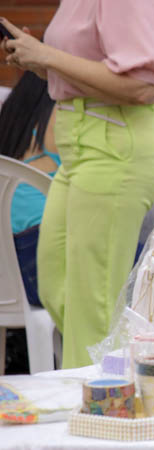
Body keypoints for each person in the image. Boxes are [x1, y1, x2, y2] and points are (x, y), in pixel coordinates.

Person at [1, 3, 154, 369]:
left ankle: (98, 393)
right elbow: (88, 71)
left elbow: (140, 84)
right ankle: (113, 377)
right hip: (79, 144)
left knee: (92, 305)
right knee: (56, 286)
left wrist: (48, 55)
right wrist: (40, 61)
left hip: (113, 143)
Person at [0, 71, 58, 308]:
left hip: (6, 266)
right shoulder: (60, 116)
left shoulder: (10, 113)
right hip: (40, 250)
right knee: (144, 262)